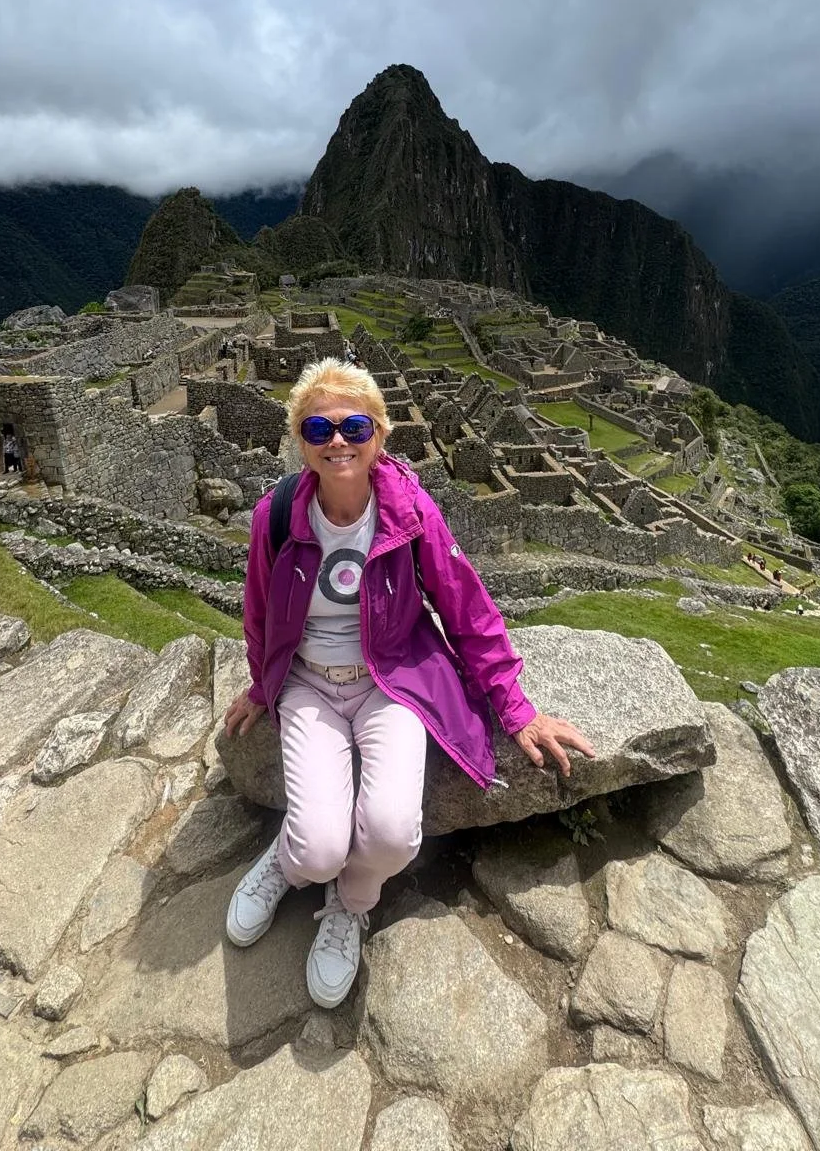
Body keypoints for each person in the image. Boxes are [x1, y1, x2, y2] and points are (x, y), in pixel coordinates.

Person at [223, 356, 594, 1009]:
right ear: (301, 442)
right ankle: (286, 863)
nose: (337, 441)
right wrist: (261, 687)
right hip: (309, 684)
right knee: (316, 848)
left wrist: (517, 711)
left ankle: (351, 906)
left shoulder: (409, 511)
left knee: (393, 832)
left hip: (391, 682)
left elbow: (466, 608)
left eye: (353, 425)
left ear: (380, 433)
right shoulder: (275, 517)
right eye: (318, 429)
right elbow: (258, 610)